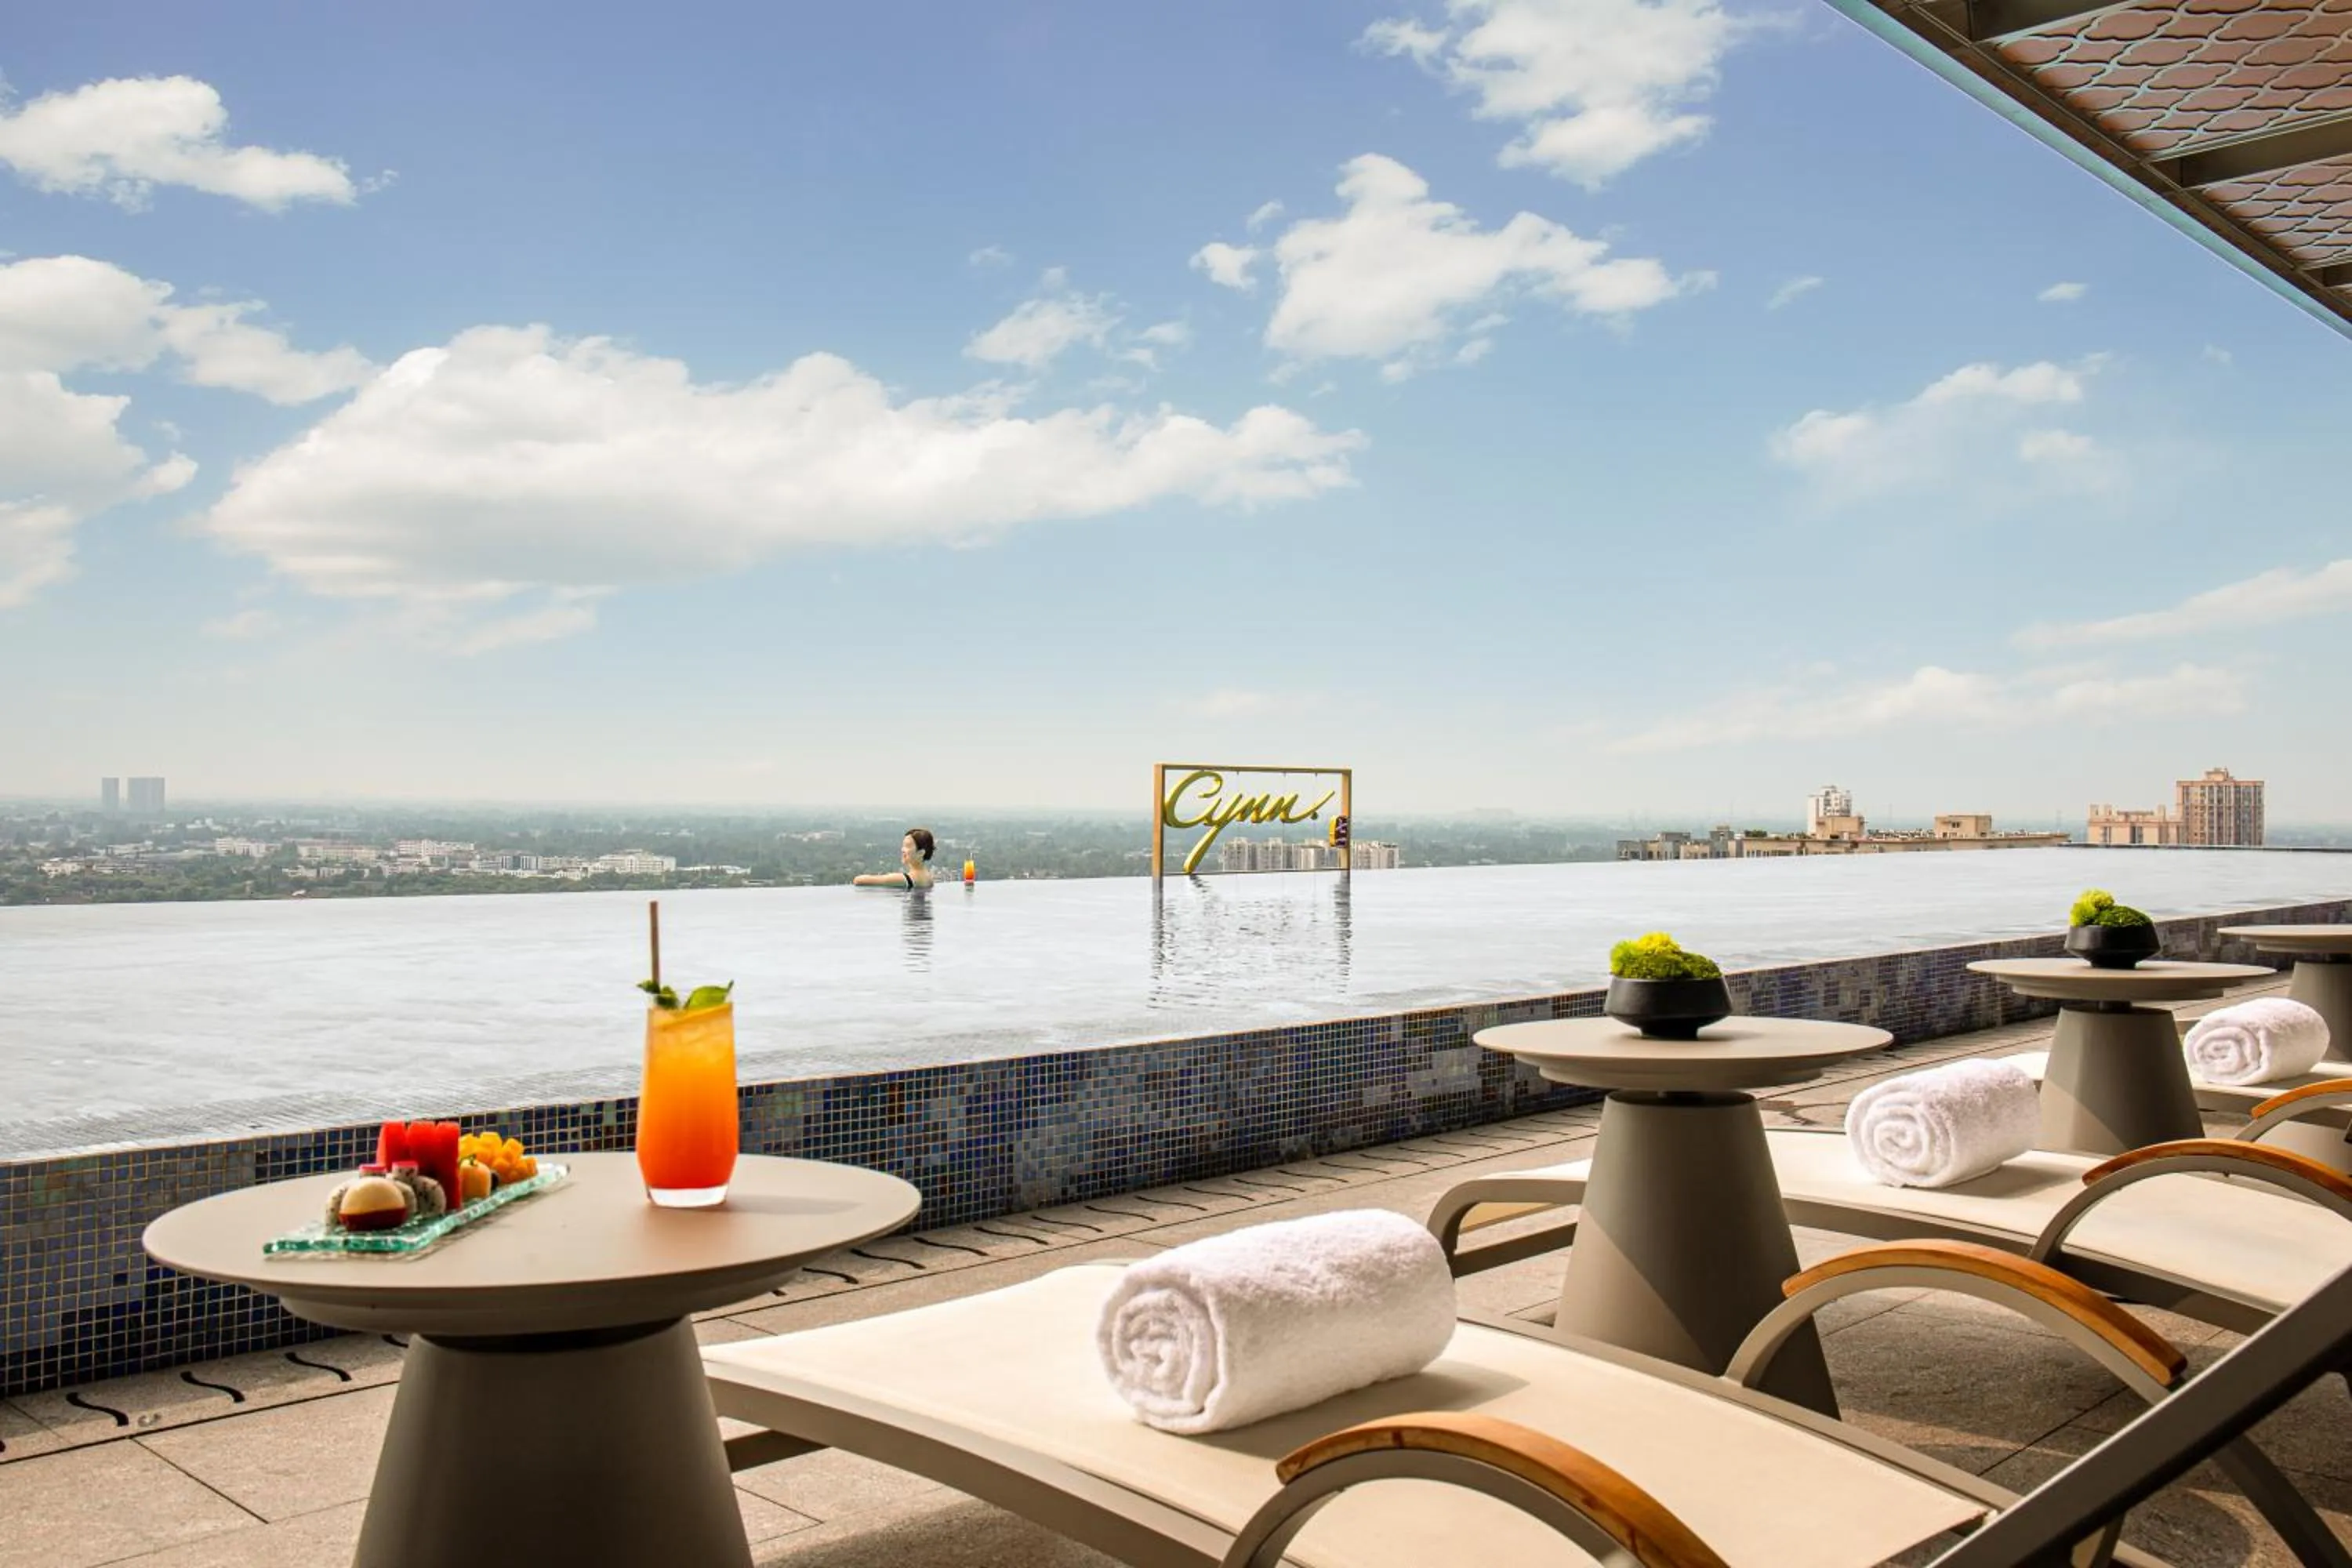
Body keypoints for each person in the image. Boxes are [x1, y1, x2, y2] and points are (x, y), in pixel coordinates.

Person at [855, 828, 936, 890]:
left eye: (907, 846)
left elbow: (858, 881)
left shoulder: (906, 880)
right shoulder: (928, 877)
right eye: (903, 846)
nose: (902, 850)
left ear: (921, 853)